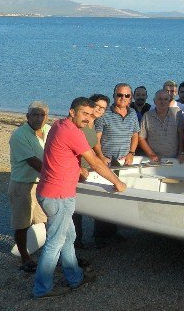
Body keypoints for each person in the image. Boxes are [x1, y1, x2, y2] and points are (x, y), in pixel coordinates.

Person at [33, 97, 126, 298]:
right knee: (55, 242)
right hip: (57, 195)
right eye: (84, 114)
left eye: (91, 115)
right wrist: (116, 182)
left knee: (69, 237)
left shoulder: (58, 125)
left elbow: (62, 154)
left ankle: (75, 277)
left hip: (54, 191)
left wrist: (77, 166)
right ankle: (42, 288)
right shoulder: (71, 132)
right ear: (72, 112)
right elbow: (96, 162)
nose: (88, 118)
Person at [93, 83, 139, 247]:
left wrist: (131, 153)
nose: (123, 98)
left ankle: (112, 233)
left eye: (127, 96)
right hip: (106, 162)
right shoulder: (104, 115)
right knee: (103, 197)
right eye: (120, 95)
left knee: (117, 196)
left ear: (130, 98)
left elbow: (135, 135)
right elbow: (96, 139)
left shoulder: (133, 113)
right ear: (114, 96)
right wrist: (100, 156)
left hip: (123, 162)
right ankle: (100, 237)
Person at [8, 101, 51, 272]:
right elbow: (34, 162)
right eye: (35, 114)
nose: (39, 118)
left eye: (42, 115)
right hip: (22, 185)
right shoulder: (19, 135)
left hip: (42, 183)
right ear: (27, 116)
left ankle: (43, 251)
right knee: (22, 223)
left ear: (47, 117)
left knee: (44, 220)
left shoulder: (48, 131)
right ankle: (24, 258)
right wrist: (58, 175)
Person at [72, 93, 109, 249]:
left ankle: (98, 237)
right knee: (75, 209)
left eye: (103, 108)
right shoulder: (80, 125)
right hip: (78, 169)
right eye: (97, 106)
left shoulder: (93, 125)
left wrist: (102, 158)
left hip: (90, 169)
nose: (99, 109)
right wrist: (78, 167)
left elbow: (96, 146)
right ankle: (75, 240)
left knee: (95, 202)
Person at [139, 89, 184, 163]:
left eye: (166, 99)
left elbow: (181, 134)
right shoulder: (147, 116)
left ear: (169, 101)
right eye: (160, 99)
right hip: (153, 159)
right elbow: (141, 138)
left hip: (174, 159)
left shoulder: (177, 113)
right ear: (154, 101)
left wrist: (181, 152)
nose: (163, 102)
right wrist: (151, 154)